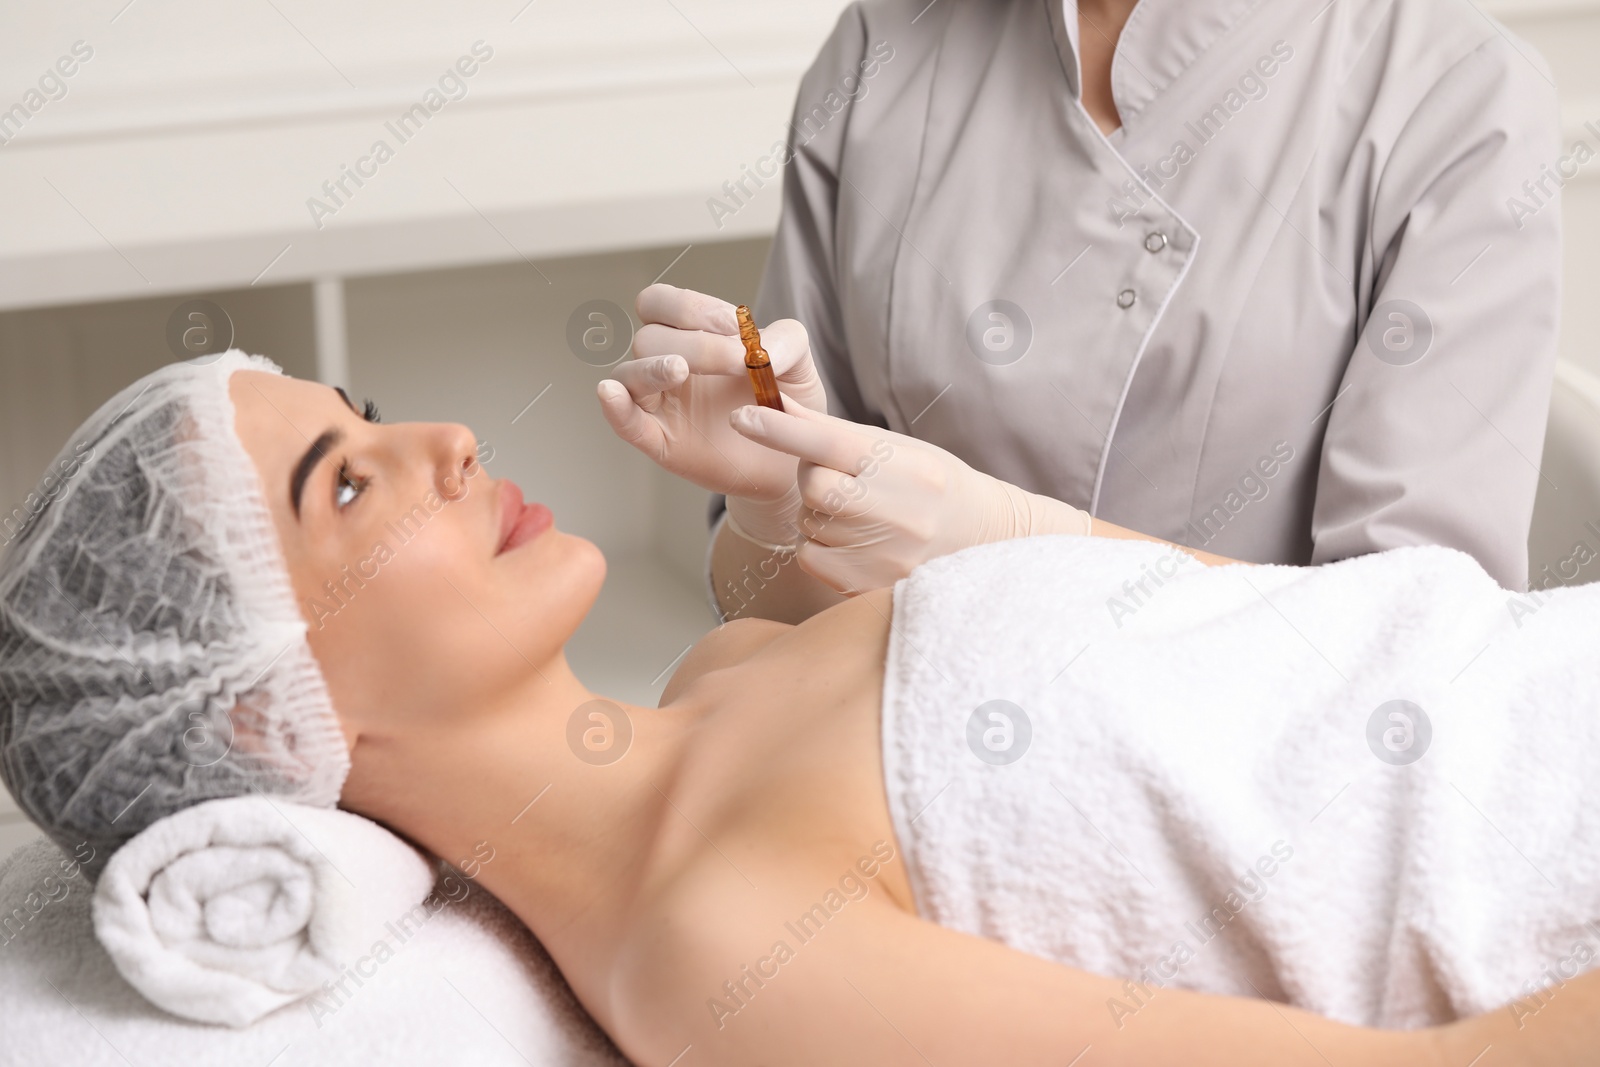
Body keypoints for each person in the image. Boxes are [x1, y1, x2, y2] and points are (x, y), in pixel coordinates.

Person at [3, 354, 1598, 1066]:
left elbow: (1287, 642)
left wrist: (791, 468)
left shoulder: (730, 668)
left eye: (364, 412)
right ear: (276, 722)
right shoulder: (714, 948)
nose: (447, 436)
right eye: (347, 483)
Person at [605, 0, 1563, 621]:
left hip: (1233, 817)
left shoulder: (1458, 97)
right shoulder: (883, 43)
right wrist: (769, 511)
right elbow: (778, 625)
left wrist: (1015, 546)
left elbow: (1414, 656)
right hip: (878, 773)